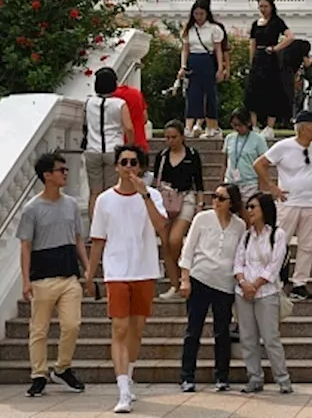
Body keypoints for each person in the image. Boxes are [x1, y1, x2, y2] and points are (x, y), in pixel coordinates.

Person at [85, 144, 168, 414]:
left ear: (141, 167)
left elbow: (161, 227)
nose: (129, 167)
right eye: (125, 162)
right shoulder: (105, 200)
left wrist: (144, 196)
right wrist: (90, 273)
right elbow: (98, 239)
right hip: (116, 271)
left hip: (144, 269)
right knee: (119, 328)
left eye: (134, 163)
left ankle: (128, 377)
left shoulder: (152, 195)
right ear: (116, 166)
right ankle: (122, 390)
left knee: (136, 329)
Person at [18, 151, 88, 397]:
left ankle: (62, 367)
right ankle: (38, 374)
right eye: (61, 170)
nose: (66, 173)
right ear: (47, 175)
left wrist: (87, 268)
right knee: (39, 329)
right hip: (42, 276)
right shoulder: (32, 209)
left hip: (69, 275)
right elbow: (25, 245)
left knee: (72, 324)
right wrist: (26, 280)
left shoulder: (70, 204)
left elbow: (78, 239)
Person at [253, 109, 312, 301]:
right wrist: (272, 187)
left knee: (306, 245)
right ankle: (274, 278)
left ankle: (300, 283)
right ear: (304, 128)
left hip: (309, 202)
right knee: (281, 241)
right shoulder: (284, 146)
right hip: (288, 201)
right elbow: (259, 164)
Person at [178, 182, 245, 392]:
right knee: (193, 330)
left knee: (222, 332)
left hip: (225, 284)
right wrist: (185, 279)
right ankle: (187, 376)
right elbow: (188, 250)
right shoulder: (202, 218)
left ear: (231, 202)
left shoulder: (239, 225)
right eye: (214, 196)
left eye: (221, 198)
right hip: (200, 278)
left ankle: (222, 376)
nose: (216, 201)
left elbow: (240, 256)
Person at [233, 193, 292, 393]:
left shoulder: (277, 235)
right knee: (248, 338)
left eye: (253, 207)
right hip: (244, 293)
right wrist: (243, 283)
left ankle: (282, 379)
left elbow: (274, 265)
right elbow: (238, 262)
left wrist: (255, 284)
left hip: (266, 292)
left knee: (270, 337)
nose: (249, 211)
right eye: (248, 207)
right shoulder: (246, 235)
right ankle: (254, 377)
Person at [153, 120, 205, 299]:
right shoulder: (162, 156)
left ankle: (183, 272)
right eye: (167, 137)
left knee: (176, 239)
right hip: (165, 200)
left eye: (174, 137)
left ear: (182, 136)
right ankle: (174, 284)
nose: (170, 141)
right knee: (166, 243)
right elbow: (156, 181)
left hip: (187, 198)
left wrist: (200, 204)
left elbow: (198, 182)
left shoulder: (192, 154)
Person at [83, 66, 134, 219]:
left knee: (95, 192)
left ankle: (95, 230)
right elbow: (129, 128)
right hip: (114, 149)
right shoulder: (119, 104)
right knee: (112, 190)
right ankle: (111, 226)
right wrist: (129, 147)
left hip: (92, 149)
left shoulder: (88, 102)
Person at [245, 0, 294, 135]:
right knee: (253, 91)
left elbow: (290, 37)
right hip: (258, 59)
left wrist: (275, 48)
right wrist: (251, 61)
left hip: (270, 58)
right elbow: (252, 43)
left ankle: (269, 126)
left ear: (271, 7)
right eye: (260, 6)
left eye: (266, 6)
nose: (263, 9)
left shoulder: (277, 22)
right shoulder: (256, 24)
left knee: (272, 90)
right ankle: (254, 126)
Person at [179, 0, 227, 139]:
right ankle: (189, 125)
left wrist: (220, 68)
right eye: (196, 14)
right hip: (193, 61)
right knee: (193, 93)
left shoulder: (214, 29)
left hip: (207, 60)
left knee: (210, 94)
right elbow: (185, 49)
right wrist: (183, 66)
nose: (198, 17)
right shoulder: (189, 29)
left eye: (201, 14)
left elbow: (218, 49)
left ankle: (211, 126)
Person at [222, 109, 270, 202]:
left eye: (239, 125)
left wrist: (262, 185)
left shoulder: (258, 139)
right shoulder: (229, 138)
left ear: (248, 123)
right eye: (234, 125)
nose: (237, 128)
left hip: (250, 183)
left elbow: (264, 164)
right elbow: (224, 162)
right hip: (231, 181)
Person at [111, 79, 150, 150]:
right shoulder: (136, 93)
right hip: (139, 141)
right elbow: (145, 118)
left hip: (118, 143)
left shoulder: (112, 97)